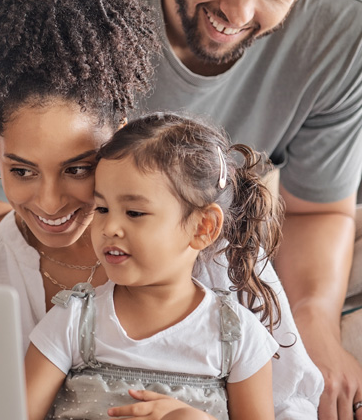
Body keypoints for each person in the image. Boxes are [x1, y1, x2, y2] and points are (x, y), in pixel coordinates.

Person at [0, 0, 362, 415]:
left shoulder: (215, 264)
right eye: (21, 169)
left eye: (79, 167)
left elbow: (290, 401)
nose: (51, 200)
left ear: (119, 137)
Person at [25, 112, 280, 420]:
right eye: (103, 208)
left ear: (204, 227)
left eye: (134, 212)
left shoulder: (237, 337)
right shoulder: (73, 321)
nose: (109, 228)